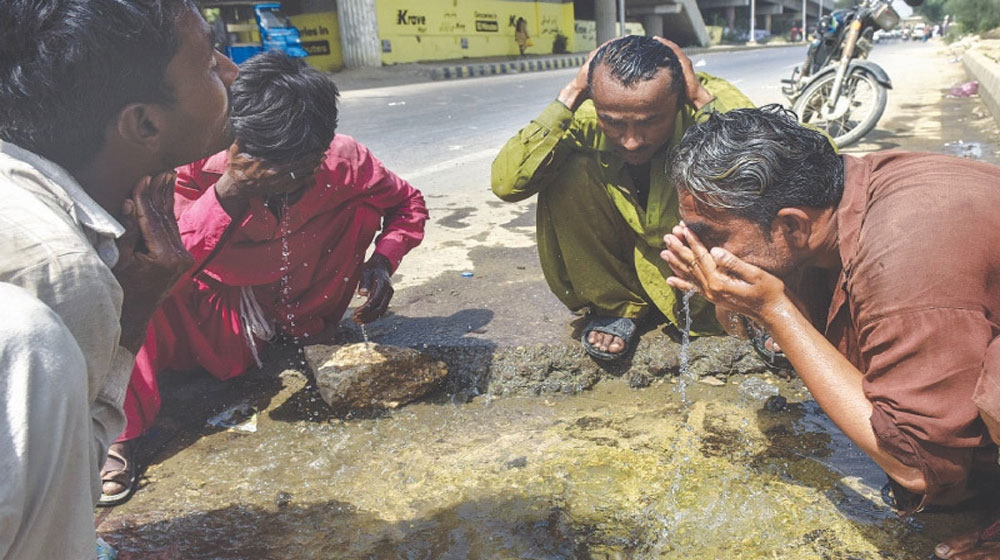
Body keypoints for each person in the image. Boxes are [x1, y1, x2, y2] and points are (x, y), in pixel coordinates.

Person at [660, 105, 1000, 556]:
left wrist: (775, 310)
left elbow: (919, 465)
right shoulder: (850, 193)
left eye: (712, 237)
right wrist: (748, 305)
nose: (700, 251)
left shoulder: (901, 266)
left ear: (791, 225)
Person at [100, 51, 429, 504]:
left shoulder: (344, 161)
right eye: (271, 170)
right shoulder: (192, 163)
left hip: (305, 301)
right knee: (128, 281)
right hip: (216, 310)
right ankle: (119, 433)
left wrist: (383, 261)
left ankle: (305, 332)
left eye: (300, 170)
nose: (286, 184)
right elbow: (167, 261)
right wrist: (231, 190)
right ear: (237, 142)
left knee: (363, 206)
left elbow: (408, 204)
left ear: (321, 149)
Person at [0, 0, 238, 557]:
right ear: (145, 123)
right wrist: (131, 322)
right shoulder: (60, 274)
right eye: (207, 63)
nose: (230, 72)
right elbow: (56, 515)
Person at [491, 35, 754, 361]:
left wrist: (700, 99)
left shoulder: (709, 97)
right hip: (632, 271)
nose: (631, 142)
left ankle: (739, 306)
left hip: (708, 289)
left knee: (741, 167)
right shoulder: (587, 113)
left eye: (650, 122)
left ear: (679, 98)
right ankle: (618, 305)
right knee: (564, 164)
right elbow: (508, 183)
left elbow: (773, 172)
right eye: (613, 123)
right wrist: (572, 93)